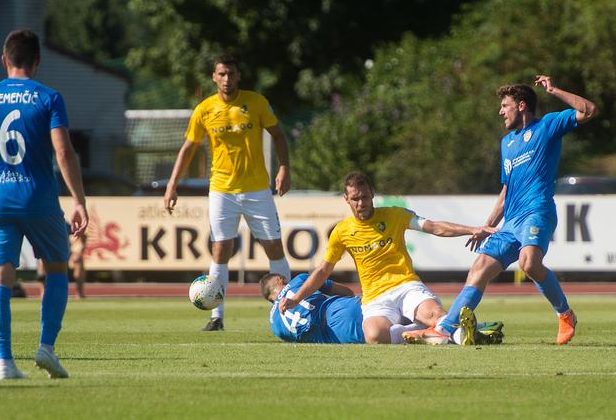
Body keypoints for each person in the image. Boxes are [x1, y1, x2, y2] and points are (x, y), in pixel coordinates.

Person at [0, 29, 88, 380]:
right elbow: (63, 151)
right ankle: (46, 348)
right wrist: (79, 200)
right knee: (58, 268)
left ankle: (4, 363)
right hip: (39, 198)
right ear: (37, 61)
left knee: (0, 277)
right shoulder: (48, 98)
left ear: (5, 60)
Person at [432, 76, 597, 345]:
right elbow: (506, 191)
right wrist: (487, 225)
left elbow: (588, 110)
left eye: (504, 105)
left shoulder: (547, 126)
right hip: (510, 222)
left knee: (529, 263)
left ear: (521, 106)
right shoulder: (507, 143)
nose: (500, 111)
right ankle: (445, 329)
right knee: (479, 268)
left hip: (537, 211)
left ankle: (565, 314)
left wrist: (554, 90)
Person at [279, 172, 497, 345]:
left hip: (406, 286)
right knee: (373, 336)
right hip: (375, 297)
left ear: (372, 194)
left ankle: (450, 334)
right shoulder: (342, 232)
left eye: (364, 197)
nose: (361, 203)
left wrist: (473, 229)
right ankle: (427, 333)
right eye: (355, 199)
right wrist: (297, 298)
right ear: (346, 199)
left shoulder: (394, 215)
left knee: (434, 313)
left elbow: (433, 227)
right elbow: (323, 271)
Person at [164, 54, 291, 331]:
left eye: (231, 74)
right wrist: (172, 184)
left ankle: (287, 311)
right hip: (221, 190)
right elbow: (188, 148)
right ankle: (216, 317)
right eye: (221, 74)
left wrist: (284, 169)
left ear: (238, 75)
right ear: (214, 77)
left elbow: (278, 134)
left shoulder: (256, 102)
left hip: (257, 189)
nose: (226, 79)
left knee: (273, 247)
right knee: (221, 249)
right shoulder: (204, 109)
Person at [262, 273, 505, 345]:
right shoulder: (297, 281)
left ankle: (432, 334)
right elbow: (342, 290)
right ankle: (462, 329)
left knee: (389, 333)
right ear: (281, 281)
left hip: (342, 336)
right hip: (343, 309)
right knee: (403, 308)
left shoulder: (275, 327)